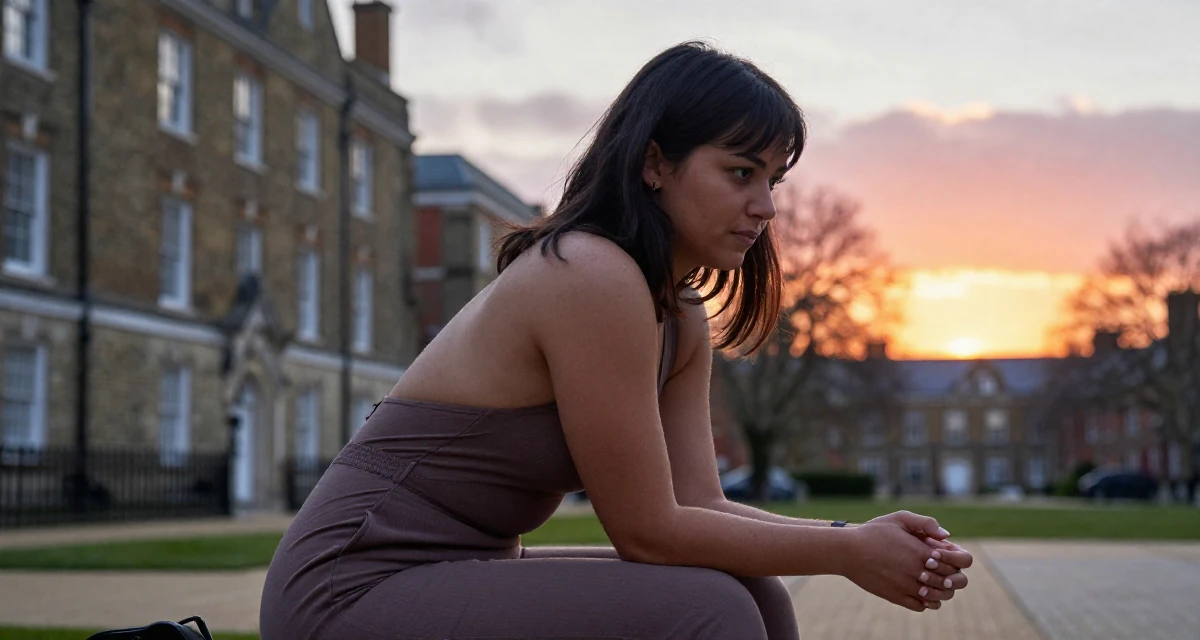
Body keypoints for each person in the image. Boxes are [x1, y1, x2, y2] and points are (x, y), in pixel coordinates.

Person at [259, 40, 973, 640]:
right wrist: (849, 553)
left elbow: (697, 505)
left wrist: (856, 536)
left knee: (755, 593)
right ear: (655, 163)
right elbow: (647, 532)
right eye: (740, 172)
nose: (765, 206)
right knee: (708, 610)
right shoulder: (589, 275)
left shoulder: (678, 311)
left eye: (774, 179)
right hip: (347, 590)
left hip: (451, 573)